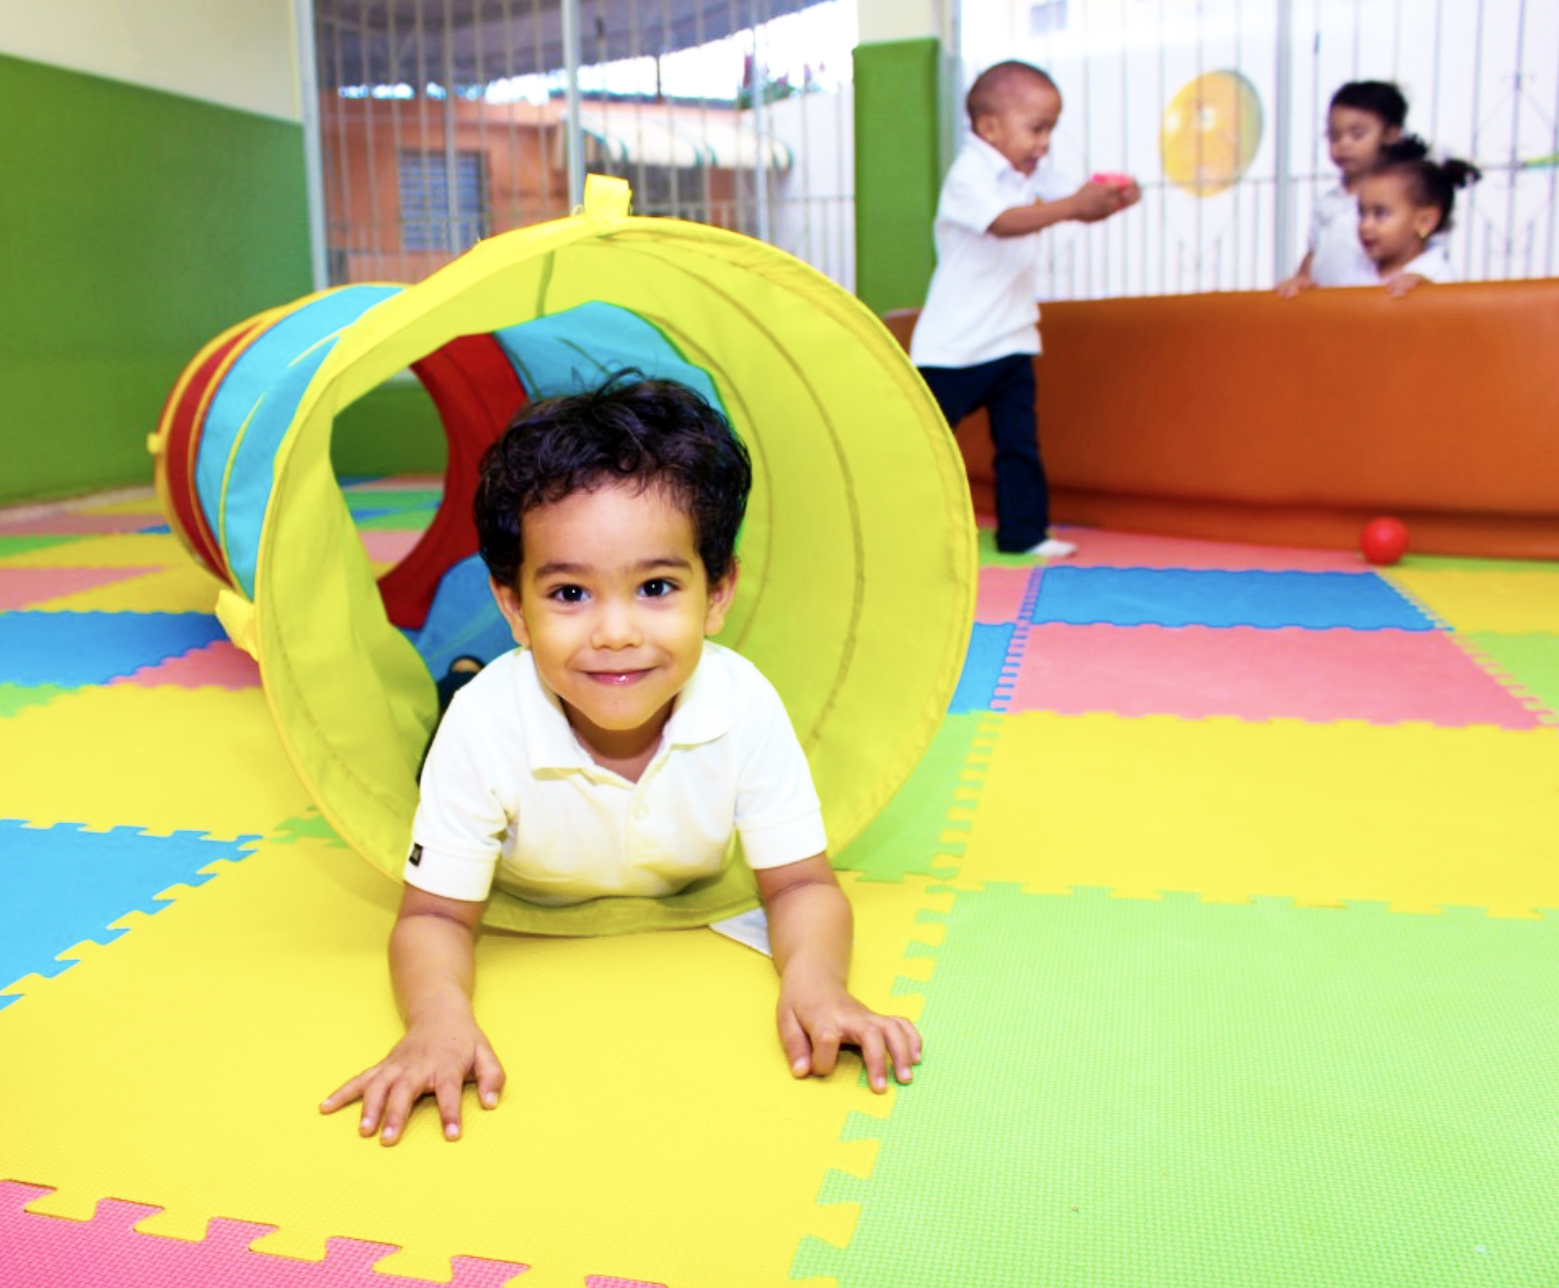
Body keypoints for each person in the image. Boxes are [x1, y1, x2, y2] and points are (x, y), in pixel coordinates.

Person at [321, 375, 922, 1145]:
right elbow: (434, 913)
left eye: (657, 587)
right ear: (515, 607)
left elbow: (803, 882)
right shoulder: (485, 730)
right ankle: (462, 672)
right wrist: (439, 1022)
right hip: (485, 719)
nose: (614, 632)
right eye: (570, 594)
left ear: (717, 594)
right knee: (460, 701)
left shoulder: (743, 704)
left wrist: (818, 985)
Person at [911, 60, 1139, 559]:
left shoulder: (1028, 172)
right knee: (921, 445)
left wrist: (1113, 197)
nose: (1044, 143)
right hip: (955, 344)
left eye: (1050, 130)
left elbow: (1074, 201)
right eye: (1037, 129)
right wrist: (1075, 205)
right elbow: (1004, 222)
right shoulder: (968, 175)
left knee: (1019, 443)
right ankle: (900, 524)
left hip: (1012, 336)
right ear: (989, 127)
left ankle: (1024, 532)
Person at [1276, 81, 1429, 296]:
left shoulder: (1402, 196)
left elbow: (1423, 251)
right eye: (1334, 136)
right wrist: (1301, 280)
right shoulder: (1329, 202)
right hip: (1329, 308)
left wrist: (1419, 280)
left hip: (1379, 306)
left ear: (1391, 134)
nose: (1344, 144)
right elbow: (1314, 253)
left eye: (1357, 134)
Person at [1354, 154, 1481, 297]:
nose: (1365, 226)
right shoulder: (1358, 267)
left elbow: (1452, 315)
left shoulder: (1438, 275)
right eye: (1362, 214)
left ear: (1425, 221)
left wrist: (1427, 294)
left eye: (1380, 214)